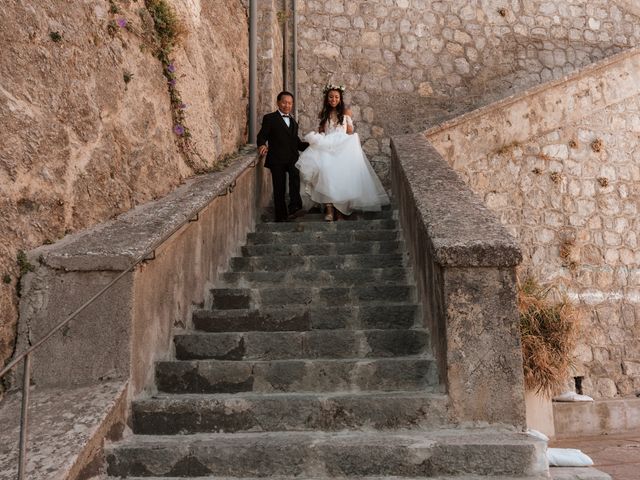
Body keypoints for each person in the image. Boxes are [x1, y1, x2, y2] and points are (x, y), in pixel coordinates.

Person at [296, 84, 389, 221]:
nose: (333, 99)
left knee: (342, 178)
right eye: (331, 97)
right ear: (327, 99)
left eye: (336, 97)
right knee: (325, 174)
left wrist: (347, 122)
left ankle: (341, 211)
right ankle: (329, 209)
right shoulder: (323, 114)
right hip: (326, 146)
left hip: (342, 147)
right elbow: (322, 132)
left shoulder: (346, 113)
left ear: (340, 99)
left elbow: (349, 131)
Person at [257, 91, 309, 222]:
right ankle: (281, 217)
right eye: (284, 102)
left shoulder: (293, 121)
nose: (287, 105)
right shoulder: (270, 118)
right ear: (278, 103)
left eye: (290, 103)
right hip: (277, 159)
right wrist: (262, 144)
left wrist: (312, 145)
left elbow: (296, 142)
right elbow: (262, 135)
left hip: (292, 158)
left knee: (295, 179)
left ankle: (295, 208)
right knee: (279, 187)